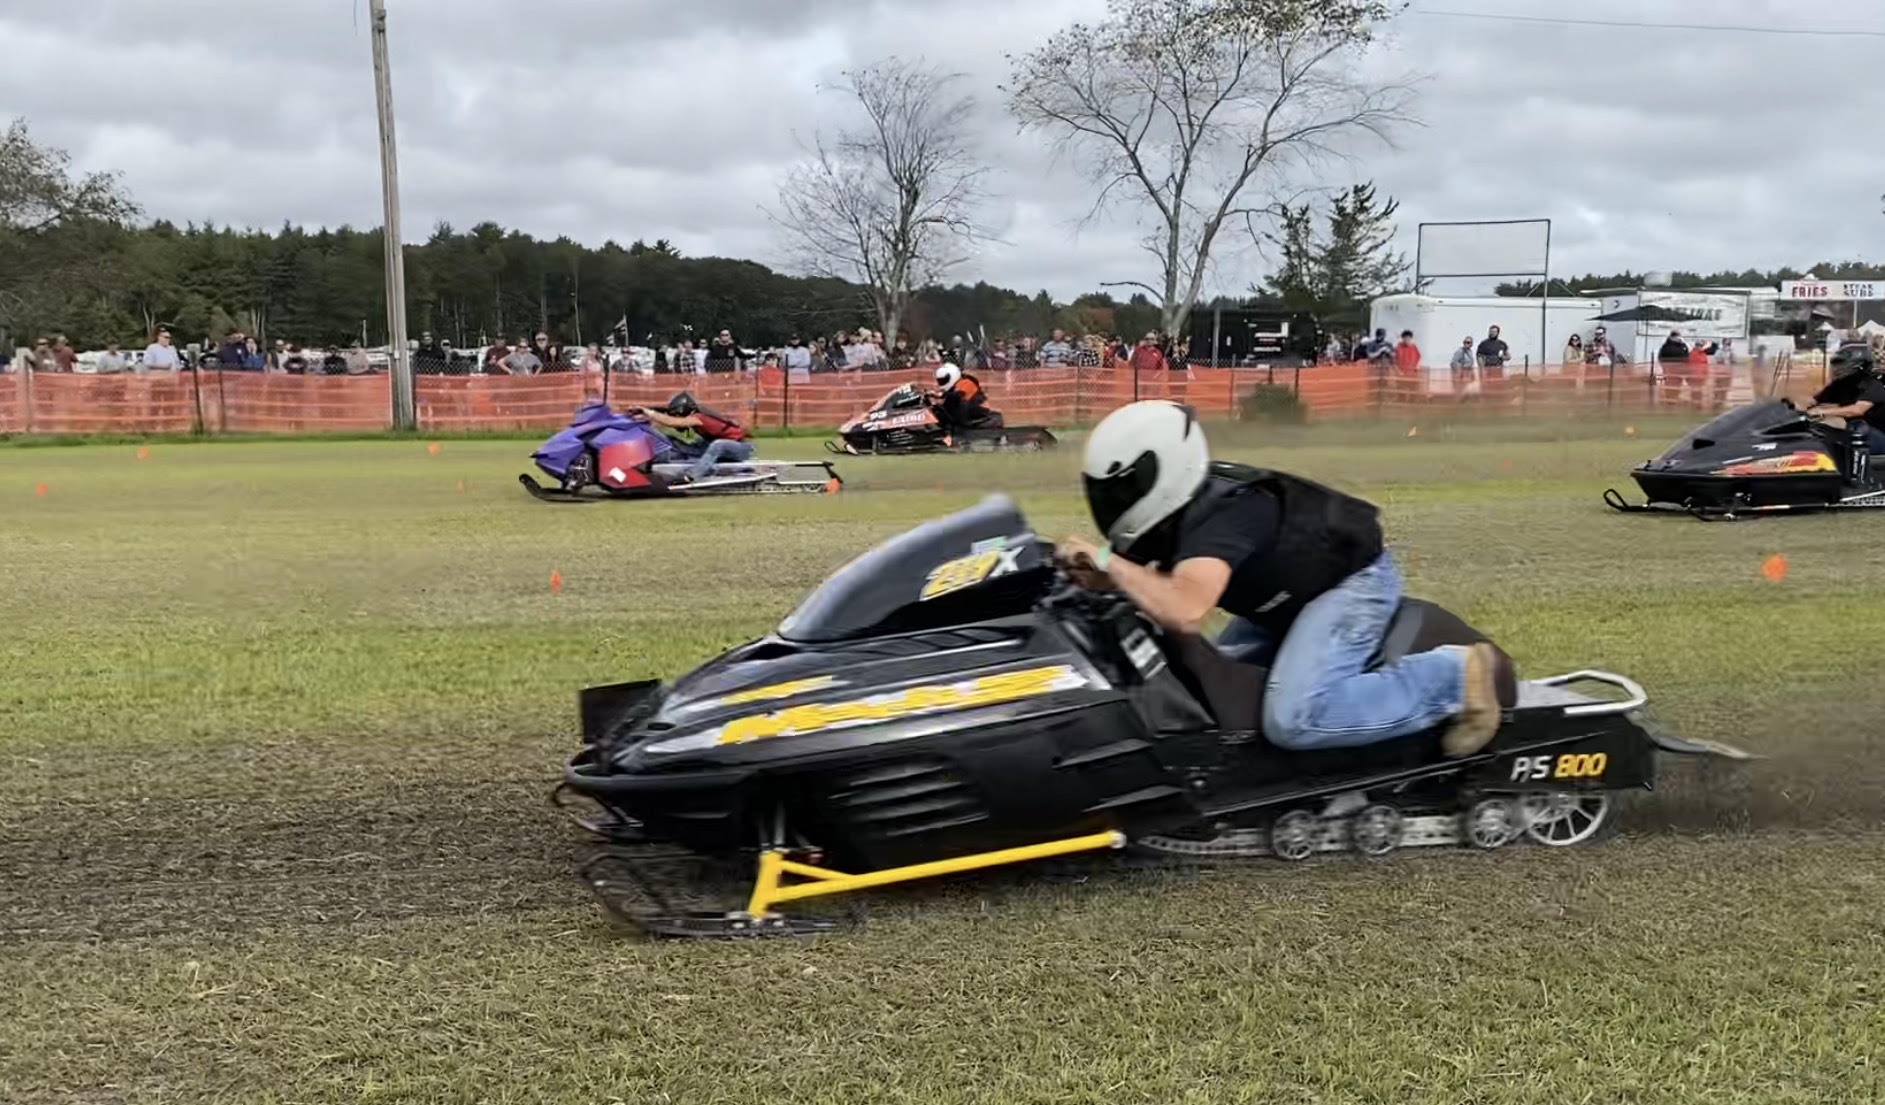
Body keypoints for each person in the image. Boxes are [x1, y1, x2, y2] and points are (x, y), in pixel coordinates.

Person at [1056, 401, 1505, 755]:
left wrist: (1103, 558)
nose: (1112, 501)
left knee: (1293, 717)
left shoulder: (1222, 516)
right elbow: (1152, 579)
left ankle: (1455, 675)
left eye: (1122, 489)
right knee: (1220, 687)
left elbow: (1184, 609)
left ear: (1164, 470)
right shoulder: (1181, 507)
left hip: (1347, 586)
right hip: (1285, 594)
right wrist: (1104, 577)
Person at [635, 391, 755, 481]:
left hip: (741, 448)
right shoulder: (695, 419)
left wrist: (649, 413)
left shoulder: (699, 417)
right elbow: (688, 435)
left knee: (718, 445)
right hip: (720, 448)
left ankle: (691, 476)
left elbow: (671, 421)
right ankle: (669, 463)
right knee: (680, 442)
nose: (676, 416)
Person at [1805, 345, 1885, 454]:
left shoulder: (1872, 385)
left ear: (1858, 365)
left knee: (1857, 427)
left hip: (1877, 436)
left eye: (1841, 363)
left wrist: (1820, 411)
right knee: (1818, 427)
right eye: (1836, 363)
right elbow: (1824, 403)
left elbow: (1856, 410)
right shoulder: (1842, 384)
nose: (1837, 367)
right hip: (1856, 433)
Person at [931, 362, 998, 430]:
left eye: (944, 380)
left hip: (978, 414)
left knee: (949, 403)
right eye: (940, 381)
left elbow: (957, 394)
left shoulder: (966, 382)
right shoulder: (956, 385)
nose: (942, 383)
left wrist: (940, 397)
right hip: (968, 412)